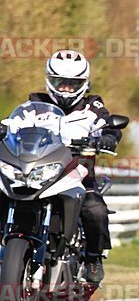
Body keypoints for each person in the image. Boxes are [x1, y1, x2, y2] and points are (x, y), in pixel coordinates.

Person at [27, 50, 122, 284]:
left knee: (95, 209)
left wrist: (108, 137)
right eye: (61, 82)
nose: (66, 89)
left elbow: (109, 127)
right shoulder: (34, 104)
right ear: (50, 80)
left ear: (84, 84)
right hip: (37, 174)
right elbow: (12, 123)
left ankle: (92, 258)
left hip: (77, 176)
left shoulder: (93, 107)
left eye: (73, 84)